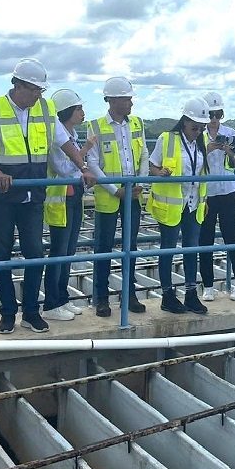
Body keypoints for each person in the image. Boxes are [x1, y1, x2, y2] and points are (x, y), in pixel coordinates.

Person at [0, 58, 94, 335]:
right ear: (17, 85)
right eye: (34, 90)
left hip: (33, 195)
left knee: (35, 254)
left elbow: (63, 142)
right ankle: (7, 313)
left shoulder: (46, 109)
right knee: (2, 255)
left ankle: (30, 311)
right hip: (2, 195)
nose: (39, 95)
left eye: (40, 90)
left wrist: (83, 167)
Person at [86, 77, 149, 318]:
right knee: (103, 248)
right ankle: (101, 298)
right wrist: (115, 189)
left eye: (130, 98)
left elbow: (143, 154)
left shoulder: (137, 124)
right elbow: (92, 162)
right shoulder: (96, 126)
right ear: (111, 100)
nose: (130, 102)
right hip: (109, 196)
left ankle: (129, 294)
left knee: (130, 247)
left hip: (132, 193)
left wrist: (139, 183)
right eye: (125, 98)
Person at [148, 97, 210, 315]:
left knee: (191, 250)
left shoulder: (199, 144)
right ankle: (167, 295)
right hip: (172, 205)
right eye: (195, 126)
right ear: (184, 121)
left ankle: (191, 294)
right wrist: (160, 173)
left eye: (202, 126)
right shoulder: (166, 139)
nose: (199, 130)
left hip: (193, 205)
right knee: (168, 250)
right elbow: (152, 166)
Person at [42, 89, 94, 321]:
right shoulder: (57, 135)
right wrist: (85, 150)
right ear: (67, 111)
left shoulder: (70, 133)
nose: (83, 113)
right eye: (78, 109)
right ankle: (51, 303)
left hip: (74, 196)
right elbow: (64, 168)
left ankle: (62, 298)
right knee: (59, 251)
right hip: (60, 198)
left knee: (69, 251)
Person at [199, 91, 235, 302]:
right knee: (205, 240)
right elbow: (191, 166)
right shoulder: (198, 136)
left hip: (228, 191)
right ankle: (208, 286)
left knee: (232, 237)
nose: (214, 119)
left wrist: (229, 151)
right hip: (206, 194)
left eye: (217, 114)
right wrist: (208, 150)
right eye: (211, 114)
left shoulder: (231, 133)